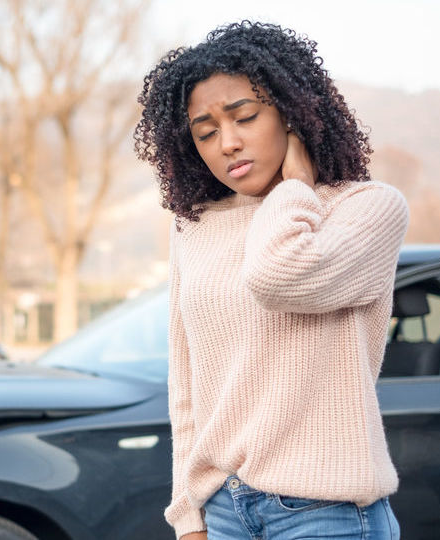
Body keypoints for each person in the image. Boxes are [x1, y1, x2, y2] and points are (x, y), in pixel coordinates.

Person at [134, 21, 408, 540]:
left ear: (294, 112)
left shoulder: (365, 208)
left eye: (245, 117)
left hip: (326, 514)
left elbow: (280, 278)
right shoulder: (195, 223)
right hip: (223, 510)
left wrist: (295, 188)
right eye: (206, 132)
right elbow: (187, 383)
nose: (229, 143)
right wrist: (187, 513)